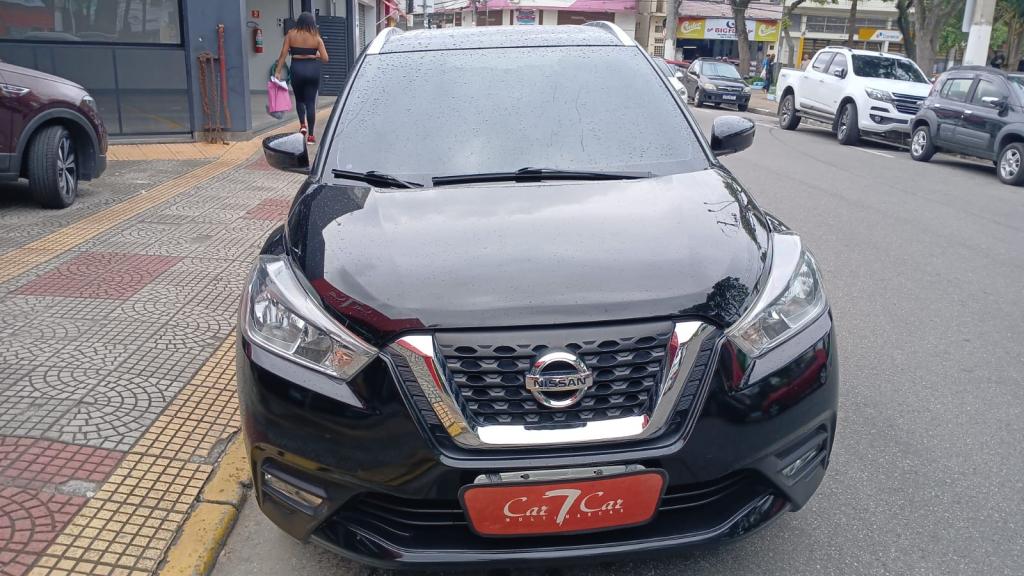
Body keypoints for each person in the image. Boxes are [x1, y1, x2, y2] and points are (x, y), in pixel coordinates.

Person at [275, 12, 328, 143]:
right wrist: (314, 55)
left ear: (298, 22)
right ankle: (311, 136)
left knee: (299, 100)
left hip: (297, 69)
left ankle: (302, 125)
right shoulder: (316, 37)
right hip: (312, 70)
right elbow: (325, 58)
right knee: (310, 102)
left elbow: (283, 54)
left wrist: (278, 71)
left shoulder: (291, 34)